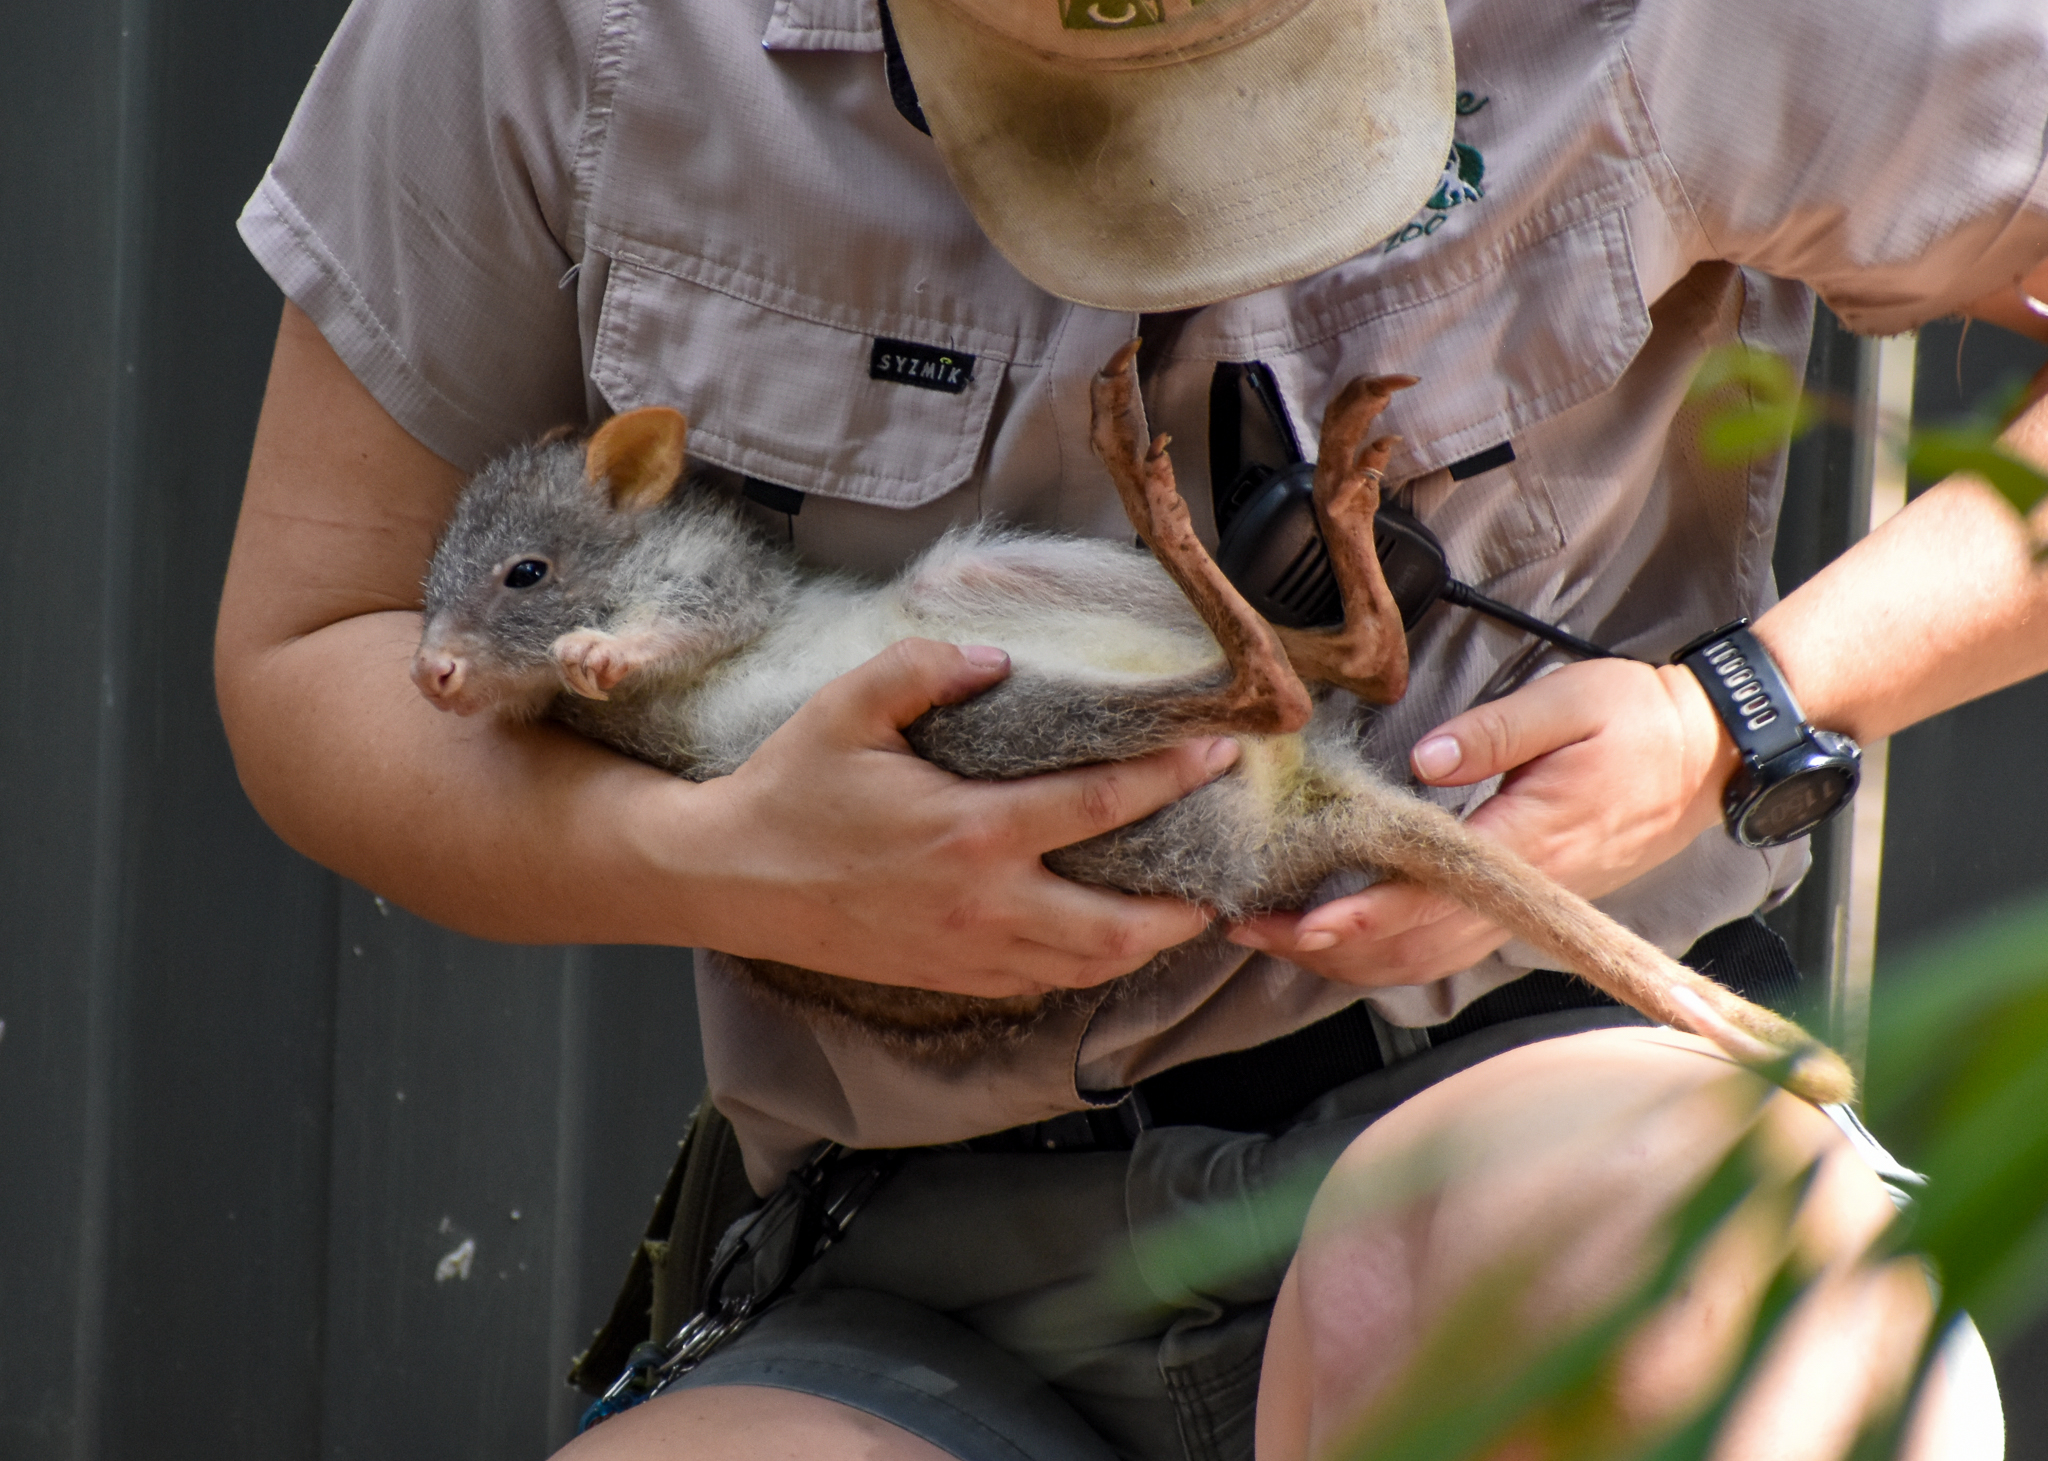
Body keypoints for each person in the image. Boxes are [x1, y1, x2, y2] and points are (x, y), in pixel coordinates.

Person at [216, 0, 2048, 1453]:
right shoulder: (580, 30)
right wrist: (713, 857)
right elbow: (313, 651)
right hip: (923, 1239)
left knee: (1657, 1343)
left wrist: (1732, 710)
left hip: (1516, 1094)